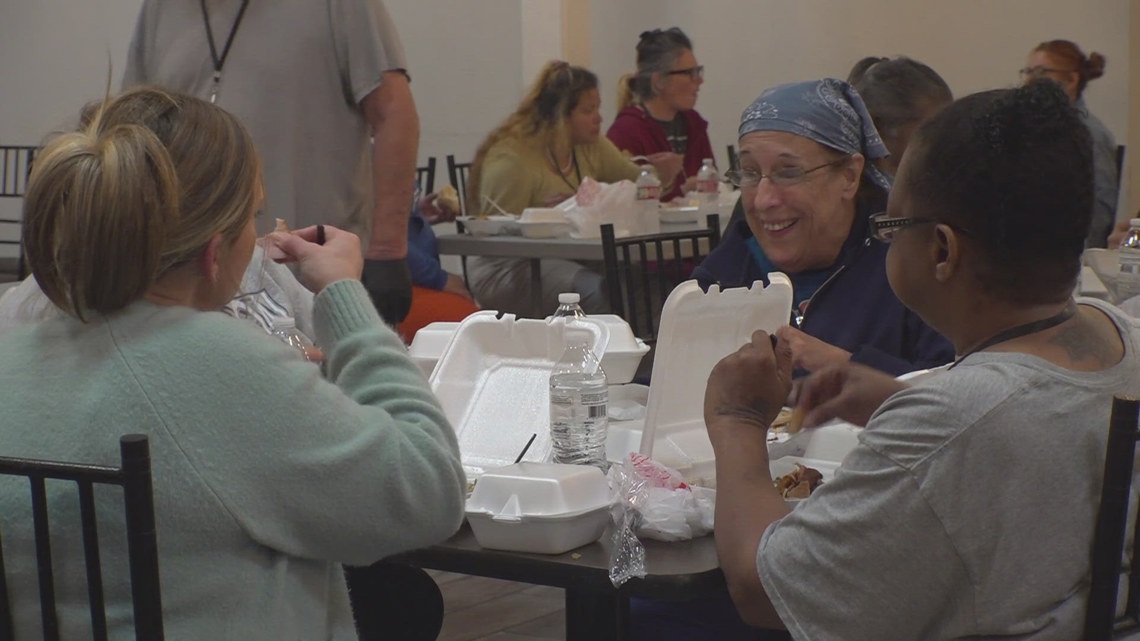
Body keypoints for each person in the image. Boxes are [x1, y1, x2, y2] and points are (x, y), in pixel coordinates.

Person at [0, 87, 466, 640]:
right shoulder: (219, 365)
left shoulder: (14, 353)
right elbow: (430, 491)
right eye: (254, 214)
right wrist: (344, 295)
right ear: (214, 252)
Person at [706, 79, 1139, 640]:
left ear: (941, 250)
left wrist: (737, 422)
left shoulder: (955, 422)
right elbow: (1018, 425)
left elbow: (761, 590)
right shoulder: (1120, 337)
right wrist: (898, 400)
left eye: (890, 224)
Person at [123, 0, 420, 324]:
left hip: (312, 285)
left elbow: (393, 113)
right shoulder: (160, 9)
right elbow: (131, 130)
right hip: (191, 294)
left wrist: (388, 252)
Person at [691, 79, 954, 376]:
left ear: (849, 176)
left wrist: (844, 367)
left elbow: (956, 391)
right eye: (750, 173)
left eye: (788, 172)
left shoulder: (911, 268)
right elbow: (666, 390)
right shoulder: (723, 277)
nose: (763, 200)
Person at [467, 60, 675, 318]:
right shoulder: (512, 158)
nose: (599, 118)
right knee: (595, 291)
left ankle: (647, 357)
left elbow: (640, 183)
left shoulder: (590, 146)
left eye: (598, 108)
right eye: (588, 110)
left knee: (644, 284)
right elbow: (496, 234)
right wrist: (553, 215)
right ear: (561, 116)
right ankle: (591, 356)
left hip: (573, 256)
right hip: (507, 265)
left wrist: (658, 175)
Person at [1022, 39, 1118, 248]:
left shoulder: (1091, 134)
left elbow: (1099, 209)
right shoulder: (1032, 129)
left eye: (1040, 72)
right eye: (1027, 72)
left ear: (1071, 80)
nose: (1029, 80)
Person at [607, 27, 713, 201]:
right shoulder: (626, 132)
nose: (699, 80)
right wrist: (679, 191)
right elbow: (622, 201)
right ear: (659, 81)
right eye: (689, 73)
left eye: (698, 71)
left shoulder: (695, 124)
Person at [846, 55, 953, 175]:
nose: (944, 142)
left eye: (948, 128)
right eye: (931, 129)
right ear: (876, 128)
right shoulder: (842, 187)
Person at [398, 189, 479, 341]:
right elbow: (373, 234)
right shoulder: (381, 166)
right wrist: (439, 278)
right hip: (386, 288)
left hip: (412, 281)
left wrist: (416, 218)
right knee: (471, 328)